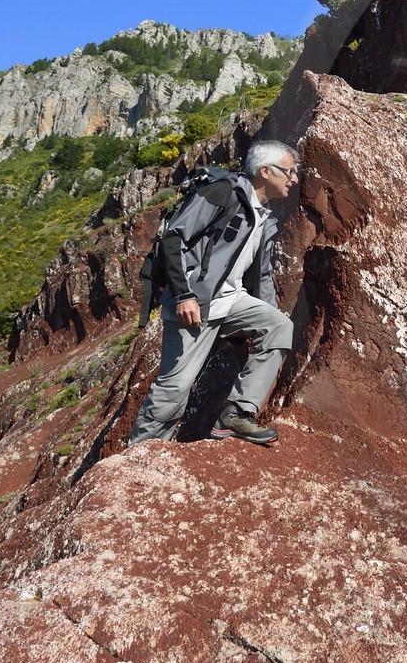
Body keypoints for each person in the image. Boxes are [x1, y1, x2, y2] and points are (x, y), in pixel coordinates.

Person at [126, 140, 299, 447]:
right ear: (265, 171)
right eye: (289, 172)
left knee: (279, 326)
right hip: (194, 304)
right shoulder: (222, 194)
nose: (294, 179)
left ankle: (236, 415)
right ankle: (141, 453)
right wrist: (183, 295)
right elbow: (172, 239)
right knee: (174, 390)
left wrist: (268, 313)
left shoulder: (266, 217)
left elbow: (262, 276)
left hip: (231, 301)